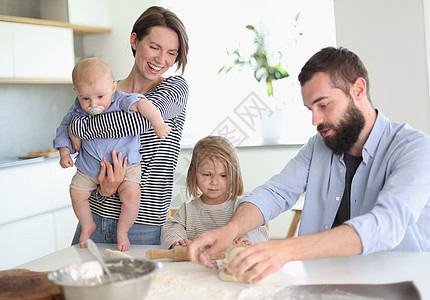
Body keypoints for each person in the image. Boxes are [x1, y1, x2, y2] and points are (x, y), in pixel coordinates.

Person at [188, 46, 430, 282]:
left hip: (399, 285)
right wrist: (230, 230)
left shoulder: (414, 148)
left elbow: (386, 224)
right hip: (324, 281)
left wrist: (285, 250)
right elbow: (275, 192)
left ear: (358, 90)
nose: (315, 119)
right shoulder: (319, 145)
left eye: (323, 105)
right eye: (310, 109)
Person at [60, 6, 189, 247]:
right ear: (134, 40)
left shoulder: (175, 89)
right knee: (82, 283)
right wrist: (107, 188)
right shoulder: (102, 92)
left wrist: (78, 126)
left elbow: (134, 122)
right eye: (154, 47)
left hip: (143, 225)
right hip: (96, 216)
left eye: (171, 53)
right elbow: (75, 135)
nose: (162, 60)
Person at [53, 57, 171, 251]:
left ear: (113, 87)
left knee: (132, 195)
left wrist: (157, 123)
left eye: (100, 97)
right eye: (86, 98)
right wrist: (65, 152)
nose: (93, 104)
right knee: (76, 192)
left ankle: (123, 230)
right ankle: (87, 224)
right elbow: (64, 128)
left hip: (128, 164)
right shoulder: (76, 108)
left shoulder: (121, 99)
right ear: (77, 93)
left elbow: (143, 106)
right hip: (90, 168)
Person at [161, 136, 269, 249]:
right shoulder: (188, 210)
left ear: (234, 175)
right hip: (196, 265)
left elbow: (260, 232)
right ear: (194, 174)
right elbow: (171, 228)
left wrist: (249, 240)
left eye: (223, 176)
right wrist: (177, 241)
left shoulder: (242, 207)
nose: (214, 182)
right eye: (207, 174)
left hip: (233, 264)